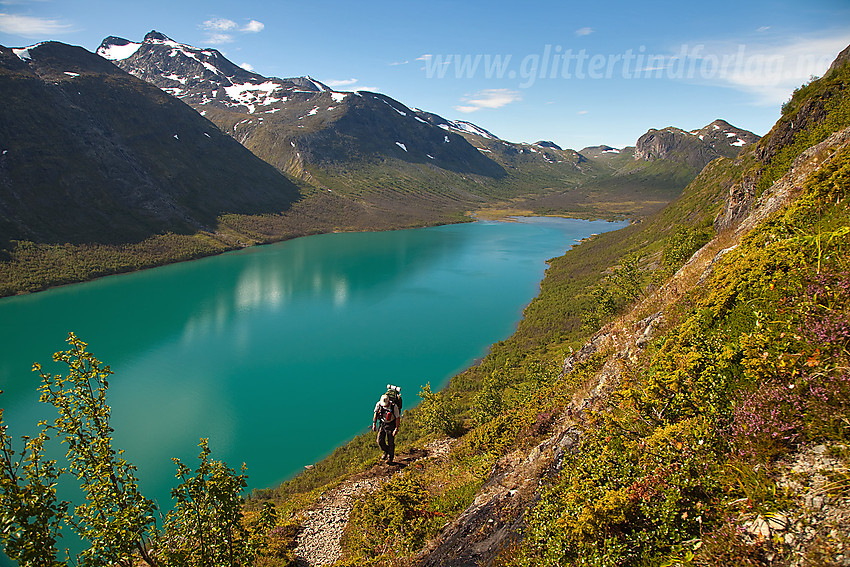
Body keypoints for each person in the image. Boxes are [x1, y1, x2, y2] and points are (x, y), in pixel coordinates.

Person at [372, 392, 401, 464]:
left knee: (390, 441)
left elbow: (397, 418)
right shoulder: (379, 404)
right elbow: (375, 413)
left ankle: (390, 458)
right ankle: (386, 451)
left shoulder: (394, 407)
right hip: (382, 423)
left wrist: (396, 429)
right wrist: (374, 424)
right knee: (379, 440)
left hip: (391, 424)